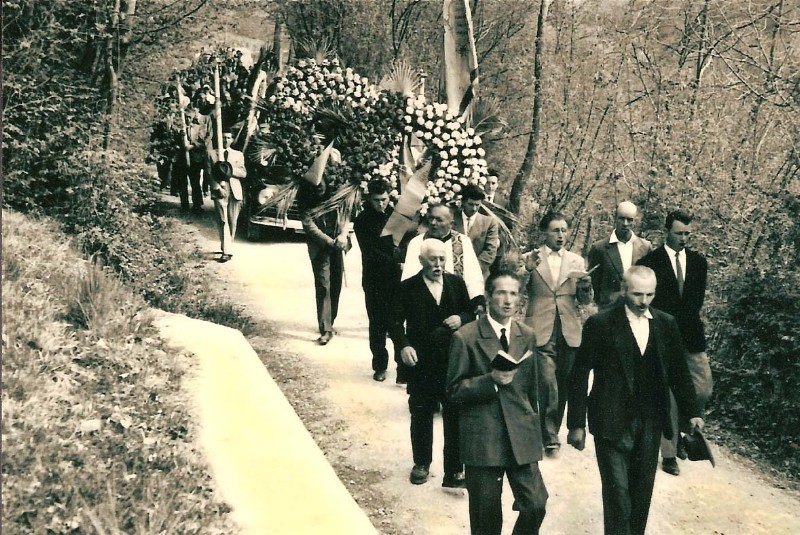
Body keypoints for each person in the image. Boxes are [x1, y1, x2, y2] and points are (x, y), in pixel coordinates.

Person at [567, 266, 703, 535]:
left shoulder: (666, 324)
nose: (644, 301)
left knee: (641, 495)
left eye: (650, 295)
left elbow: (678, 372)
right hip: (610, 421)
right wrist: (576, 424)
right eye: (637, 294)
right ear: (623, 289)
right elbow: (580, 374)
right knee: (618, 497)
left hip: (650, 423)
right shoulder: (601, 323)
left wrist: (692, 412)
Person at [447, 270, 549, 535]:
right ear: (488, 296)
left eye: (513, 294)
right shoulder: (465, 337)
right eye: (501, 293)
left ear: (520, 299)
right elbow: (453, 391)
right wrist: (489, 381)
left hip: (521, 435)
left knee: (536, 504)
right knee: (486, 521)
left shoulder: (526, 335)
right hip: (484, 437)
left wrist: (538, 433)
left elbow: (532, 389)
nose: (507, 300)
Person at [390, 239, 474, 487]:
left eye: (442, 259)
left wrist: (461, 317)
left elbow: (471, 313)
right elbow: (394, 323)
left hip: (453, 362)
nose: (438, 265)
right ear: (421, 261)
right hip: (421, 363)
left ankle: (454, 471)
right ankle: (421, 463)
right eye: (432, 260)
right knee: (421, 412)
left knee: (454, 414)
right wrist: (403, 346)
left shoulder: (456, 284)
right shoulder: (407, 287)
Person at [637, 210, 712, 476]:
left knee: (703, 388)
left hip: (691, 336)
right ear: (667, 231)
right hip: (662, 336)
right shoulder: (651, 262)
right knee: (667, 395)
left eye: (687, 234)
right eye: (679, 233)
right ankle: (669, 454)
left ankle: (682, 429)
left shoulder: (699, 263)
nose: (683, 238)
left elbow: (697, 302)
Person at [519, 212, 593, 458]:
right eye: (555, 230)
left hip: (568, 327)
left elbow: (584, 301)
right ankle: (549, 435)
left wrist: (586, 287)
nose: (561, 235)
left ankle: (552, 428)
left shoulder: (576, 261)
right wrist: (526, 271)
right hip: (540, 326)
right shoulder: (530, 258)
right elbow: (516, 290)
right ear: (544, 233)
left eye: (564, 230)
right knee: (547, 380)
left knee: (562, 381)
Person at [353, 179, 409, 383]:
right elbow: (370, 252)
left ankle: (402, 368)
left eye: (384, 199)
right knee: (377, 325)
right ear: (370, 198)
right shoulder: (362, 221)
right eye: (377, 200)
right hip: (374, 280)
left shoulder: (396, 216)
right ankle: (379, 366)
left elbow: (407, 240)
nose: (381, 204)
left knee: (397, 323)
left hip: (397, 281)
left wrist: (403, 257)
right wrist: (396, 261)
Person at [402, 203, 485, 314]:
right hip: (424, 306)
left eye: (439, 220)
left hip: (455, 306)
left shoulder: (462, 242)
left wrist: (477, 300)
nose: (433, 223)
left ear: (451, 224)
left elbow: (473, 275)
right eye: (431, 218)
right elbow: (409, 275)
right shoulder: (417, 243)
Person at [300, 181, 351, 346]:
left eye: (322, 183)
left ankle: (330, 321)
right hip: (321, 249)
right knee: (323, 286)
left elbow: (344, 217)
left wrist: (343, 235)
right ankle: (325, 328)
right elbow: (310, 227)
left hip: (337, 246)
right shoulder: (305, 201)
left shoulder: (335, 196)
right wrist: (330, 242)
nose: (319, 187)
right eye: (315, 185)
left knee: (336, 285)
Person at [588, 201, 653, 307]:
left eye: (629, 219)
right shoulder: (600, 248)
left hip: (638, 308)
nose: (625, 223)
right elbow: (594, 283)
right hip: (609, 311)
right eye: (622, 218)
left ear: (635, 221)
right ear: (615, 218)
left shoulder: (645, 247)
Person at [207, 130, 246, 262]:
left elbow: (243, 172)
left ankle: (227, 245)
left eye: (228, 138)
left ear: (232, 140)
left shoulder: (238, 154)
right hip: (220, 190)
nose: (226, 140)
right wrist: (217, 187)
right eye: (223, 137)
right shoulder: (212, 154)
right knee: (222, 220)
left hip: (234, 190)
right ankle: (226, 251)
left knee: (232, 221)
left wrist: (227, 169)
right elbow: (209, 173)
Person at [453, 184, 500, 280]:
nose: (474, 209)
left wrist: (471, 270)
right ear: (463, 202)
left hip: (478, 274)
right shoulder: (452, 218)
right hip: (451, 272)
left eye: (477, 205)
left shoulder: (490, 222)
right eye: (470, 204)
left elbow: (490, 252)